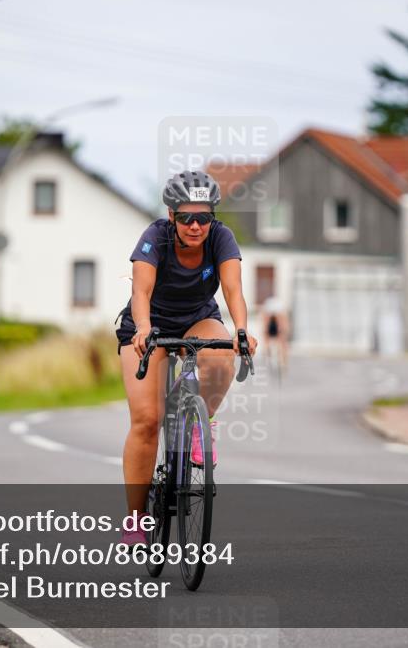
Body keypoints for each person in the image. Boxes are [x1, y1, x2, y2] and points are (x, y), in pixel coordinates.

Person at [114, 169, 257, 547]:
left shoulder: (221, 239)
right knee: (147, 421)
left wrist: (242, 329)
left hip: (197, 317)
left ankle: (200, 419)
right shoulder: (154, 239)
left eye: (204, 217)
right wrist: (143, 327)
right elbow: (141, 292)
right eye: (186, 217)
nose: (196, 226)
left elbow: (232, 289)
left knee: (221, 353)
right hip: (149, 324)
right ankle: (136, 518)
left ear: (213, 216)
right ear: (171, 215)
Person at [260, 296, 290, 373]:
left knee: (281, 341)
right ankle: (271, 357)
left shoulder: (276, 312)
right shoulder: (276, 312)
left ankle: (281, 361)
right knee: (281, 341)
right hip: (273, 313)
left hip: (273, 313)